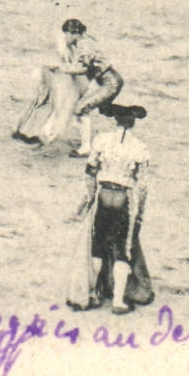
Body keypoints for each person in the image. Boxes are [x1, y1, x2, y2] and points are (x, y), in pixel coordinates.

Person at [68, 104, 154, 314]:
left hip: (103, 195)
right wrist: (139, 213)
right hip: (123, 198)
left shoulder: (102, 140)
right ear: (132, 123)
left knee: (98, 245)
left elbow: (90, 172)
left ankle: (93, 293)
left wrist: (89, 198)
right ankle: (118, 301)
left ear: (115, 120)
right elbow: (142, 186)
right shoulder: (140, 148)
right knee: (122, 249)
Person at [14, 19, 96, 147]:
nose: (76, 39)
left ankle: (25, 131)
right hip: (49, 74)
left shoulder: (67, 43)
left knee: (44, 103)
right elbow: (57, 64)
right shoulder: (62, 44)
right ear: (70, 32)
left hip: (53, 74)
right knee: (44, 102)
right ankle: (25, 132)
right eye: (75, 36)